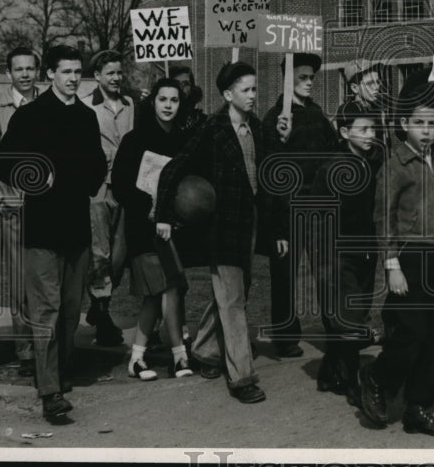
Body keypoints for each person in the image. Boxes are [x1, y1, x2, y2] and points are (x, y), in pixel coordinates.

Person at [0, 45, 107, 421]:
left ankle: (59, 373)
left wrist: (81, 179)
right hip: (41, 230)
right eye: (66, 72)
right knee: (46, 310)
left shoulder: (88, 118)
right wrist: (36, 174)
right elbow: (3, 164)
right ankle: (49, 392)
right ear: (51, 76)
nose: (73, 78)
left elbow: (96, 167)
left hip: (76, 229)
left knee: (71, 310)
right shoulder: (30, 116)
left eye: (78, 72)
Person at [358, 83, 434, 436]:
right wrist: (391, 265)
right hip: (408, 258)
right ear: (404, 124)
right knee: (411, 332)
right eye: (420, 123)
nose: (427, 130)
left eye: (433, 124)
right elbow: (384, 219)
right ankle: (377, 377)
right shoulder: (395, 165)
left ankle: (418, 407)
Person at [155, 62, 268, 403]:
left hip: (248, 224)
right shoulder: (212, 129)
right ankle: (242, 377)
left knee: (235, 293)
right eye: (245, 90)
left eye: (254, 89)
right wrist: (163, 215)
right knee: (232, 300)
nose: (252, 96)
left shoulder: (258, 129)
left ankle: (204, 349)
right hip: (221, 228)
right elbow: (174, 168)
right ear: (227, 94)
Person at [112, 78, 192, 381]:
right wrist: (149, 206)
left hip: (173, 227)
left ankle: (137, 358)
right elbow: (120, 185)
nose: (169, 105)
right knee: (163, 288)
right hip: (143, 227)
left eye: (174, 100)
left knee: (160, 292)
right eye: (163, 100)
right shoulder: (134, 139)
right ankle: (178, 356)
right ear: (153, 102)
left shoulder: (184, 140)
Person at [262, 52, 340, 358]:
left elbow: (335, 153)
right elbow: (270, 175)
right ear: (287, 80)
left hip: (319, 208)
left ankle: (334, 329)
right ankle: (285, 335)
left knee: (327, 271)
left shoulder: (318, 114)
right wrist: (277, 228)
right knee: (284, 275)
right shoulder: (274, 119)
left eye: (312, 78)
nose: (309, 83)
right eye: (302, 78)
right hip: (287, 209)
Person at [309, 101, 383, 407]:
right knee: (348, 317)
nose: (370, 135)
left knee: (352, 312)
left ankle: (329, 372)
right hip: (337, 253)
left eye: (373, 128)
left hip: (365, 251)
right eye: (363, 129)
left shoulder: (369, 162)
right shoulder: (333, 168)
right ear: (344, 132)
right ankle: (353, 381)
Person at [0, 46, 41, 377]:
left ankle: (48, 349)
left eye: (30, 68)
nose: (25, 74)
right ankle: (26, 350)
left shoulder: (47, 103)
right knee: (18, 280)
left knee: (43, 279)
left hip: (45, 206)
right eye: (19, 69)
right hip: (12, 206)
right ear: (8, 73)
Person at [85, 50, 135, 346]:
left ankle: (97, 304)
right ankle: (103, 314)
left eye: (119, 72)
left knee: (119, 255)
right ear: (98, 76)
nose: (117, 78)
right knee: (99, 253)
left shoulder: (130, 105)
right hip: (98, 188)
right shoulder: (86, 106)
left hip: (126, 186)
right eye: (111, 73)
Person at [340, 60, 391, 145]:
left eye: (377, 82)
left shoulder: (378, 109)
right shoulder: (349, 110)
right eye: (370, 83)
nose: (376, 87)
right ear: (355, 88)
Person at [169, 64, 207, 135]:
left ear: (192, 88)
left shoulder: (201, 122)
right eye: (176, 84)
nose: (181, 88)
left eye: (186, 84)